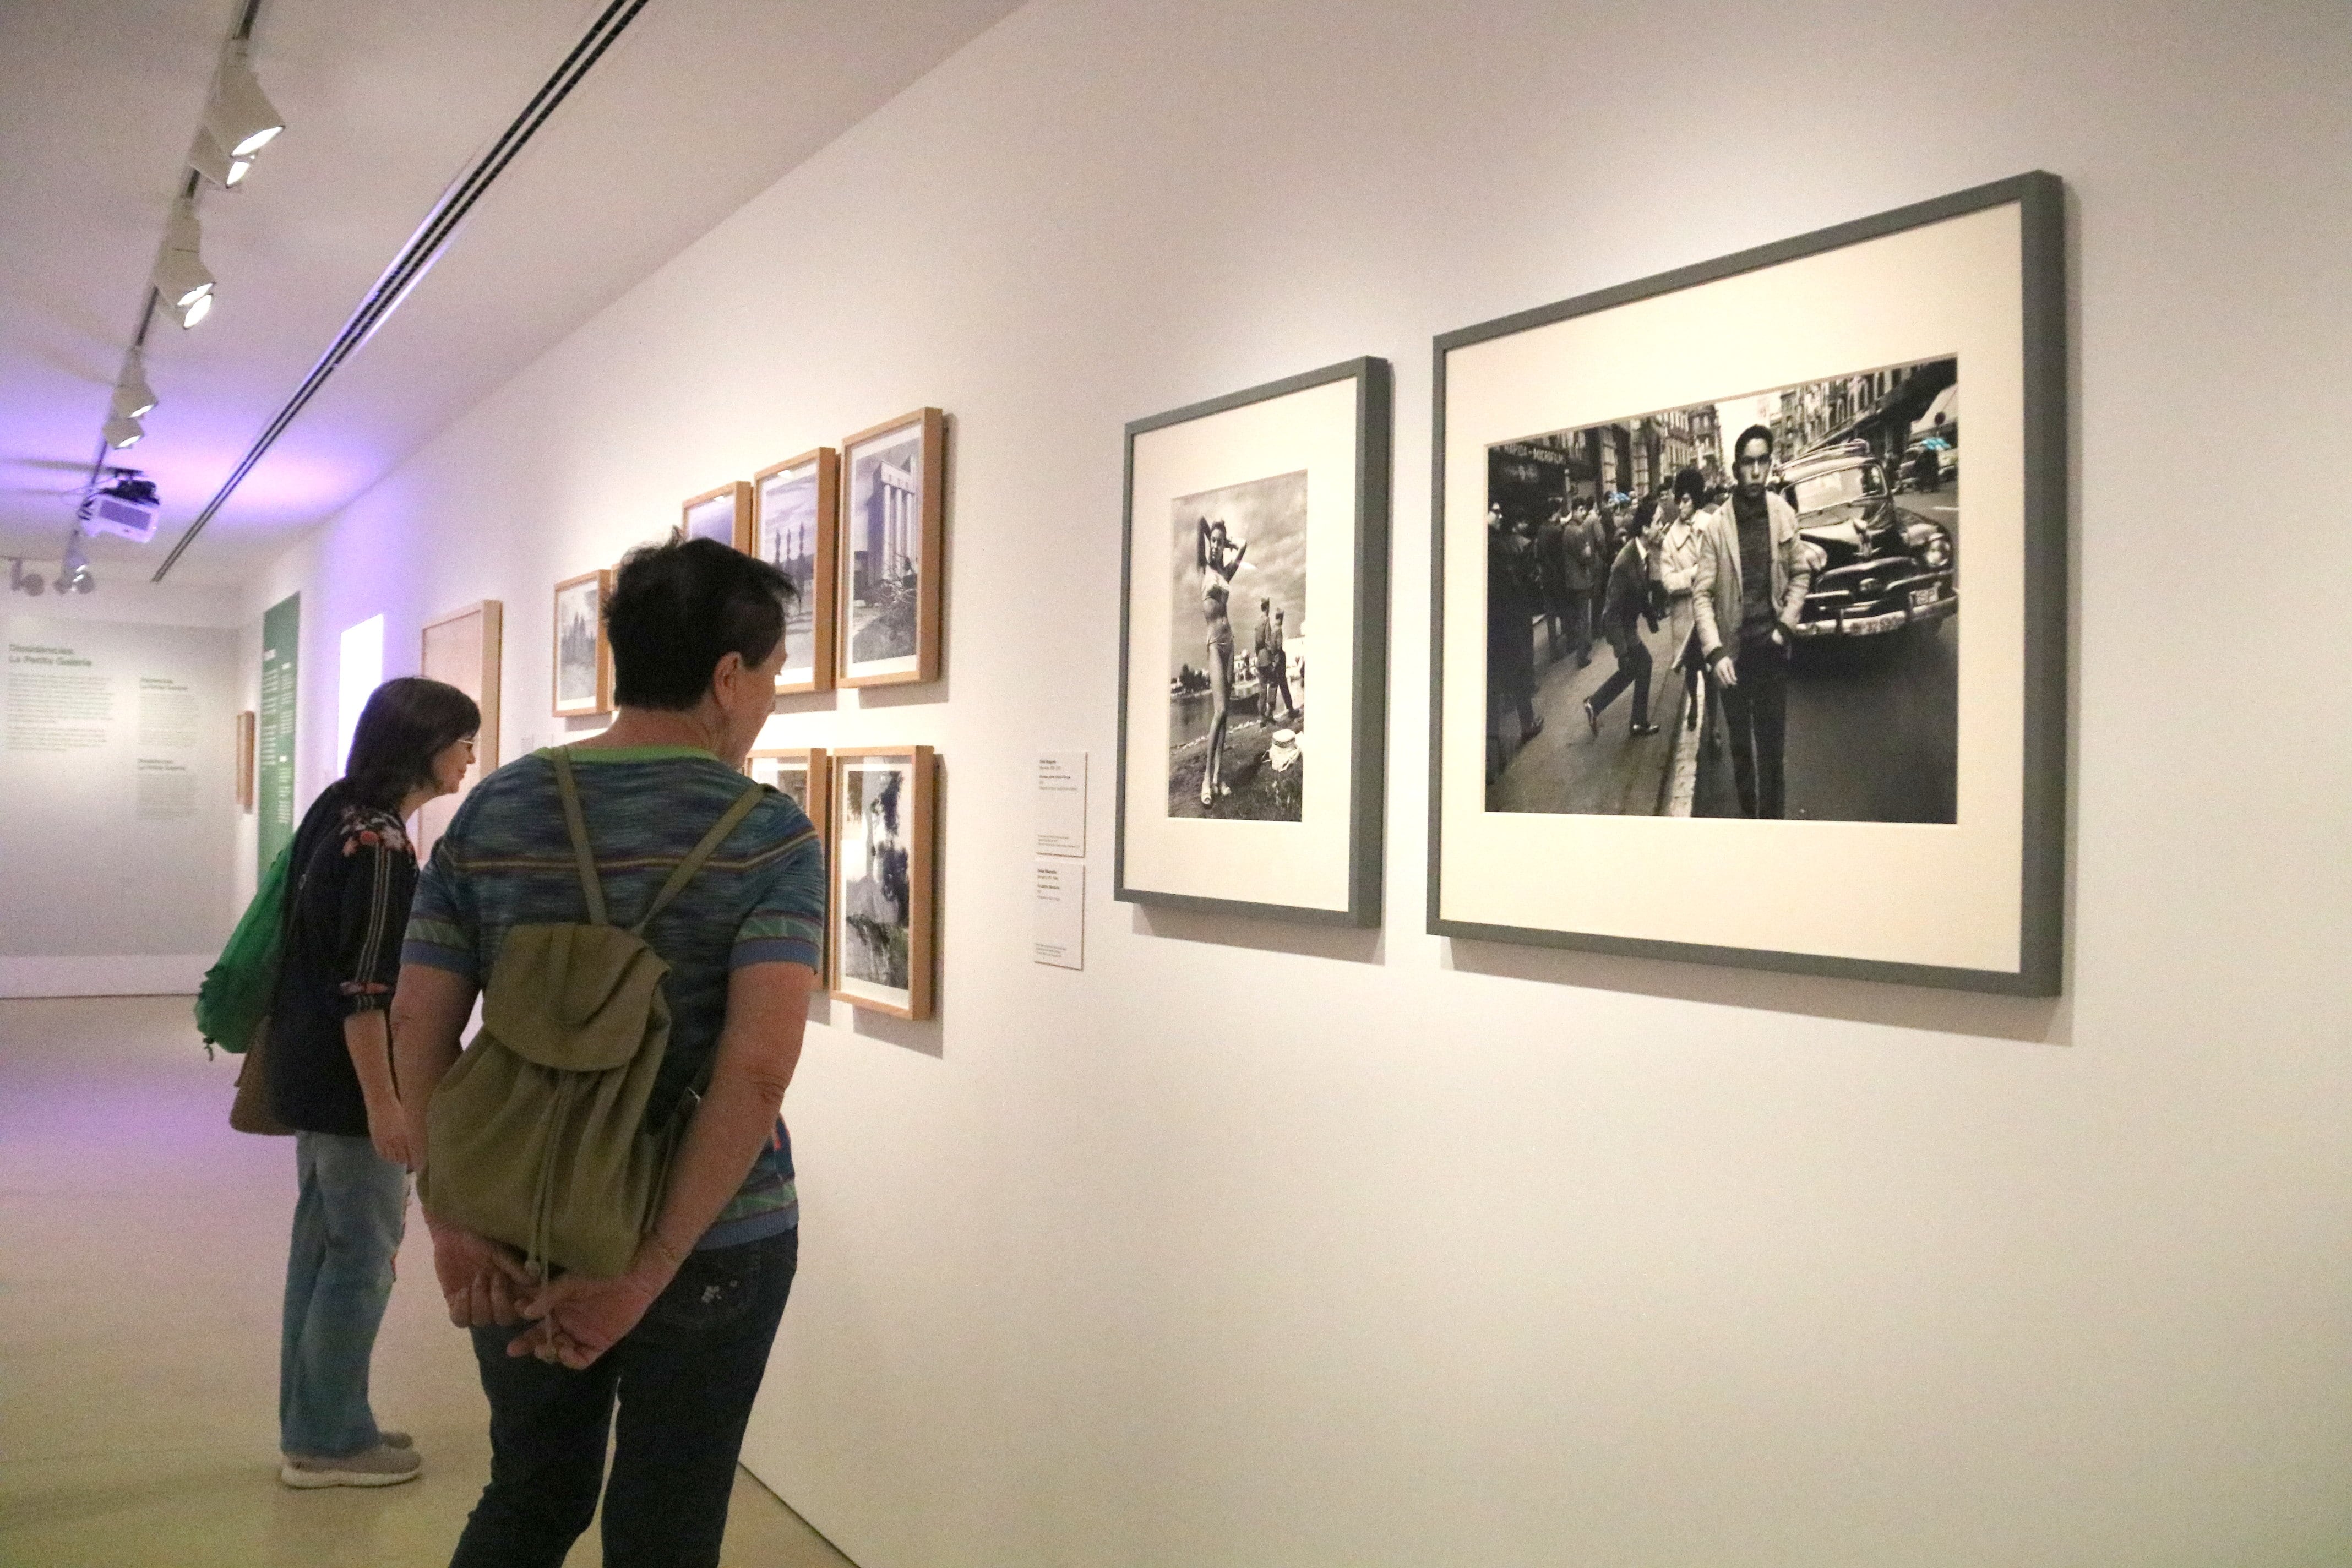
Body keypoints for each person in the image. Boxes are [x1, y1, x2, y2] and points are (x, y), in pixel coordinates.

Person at [393, 538, 826, 1567]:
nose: (767, 699)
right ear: (728, 677)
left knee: (529, 1495)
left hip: (520, 1215)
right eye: (768, 676)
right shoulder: (768, 835)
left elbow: (419, 1020)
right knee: (667, 1528)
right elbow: (755, 1071)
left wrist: (450, 1215)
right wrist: (646, 1269)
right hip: (715, 1240)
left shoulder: (497, 805)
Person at [272, 676, 480, 1489]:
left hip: (311, 1077)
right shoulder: (385, 846)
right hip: (353, 1087)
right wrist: (388, 1105)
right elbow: (367, 993)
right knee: (362, 1260)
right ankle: (330, 1445)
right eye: (463, 739)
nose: (470, 755)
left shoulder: (338, 812)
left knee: (323, 1255)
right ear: (426, 746)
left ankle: (319, 1426)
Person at [1691, 425, 1815, 816]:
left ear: (1770, 464)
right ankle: (1749, 823)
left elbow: (1800, 573)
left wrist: (1785, 627)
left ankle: (1773, 831)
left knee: (1773, 756)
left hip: (1771, 653)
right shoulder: (1716, 528)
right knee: (1741, 752)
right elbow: (1702, 594)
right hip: (1733, 660)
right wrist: (1715, 653)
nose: (1757, 471)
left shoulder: (1783, 514)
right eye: (1749, 462)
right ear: (1735, 468)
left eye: (1764, 461)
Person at [1582, 503, 1664, 738]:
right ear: (1646, 529)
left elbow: (1640, 591)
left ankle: (1595, 705)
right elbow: (1610, 613)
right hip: (1619, 625)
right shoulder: (1624, 563)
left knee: (1635, 669)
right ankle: (1636, 722)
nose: (1661, 526)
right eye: (1658, 522)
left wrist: (1651, 617)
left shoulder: (1642, 553)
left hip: (1627, 623)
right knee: (1639, 664)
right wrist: (1622, 651)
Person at [1195, 516, 1248, 806]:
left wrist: (1227, 542)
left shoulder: (1225, 572)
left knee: (1226, 715)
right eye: (1213, 541)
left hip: (1231, 644)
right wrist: (1210, 535)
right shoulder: (1202, 567)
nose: (1216, 546)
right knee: (1220, 710)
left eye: (1220, 542)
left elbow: (1244, 545)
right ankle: (1205, 779)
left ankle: (1218, 777)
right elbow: (1199, 522)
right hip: (1215, 644)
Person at [1656, 467, 1709, 730]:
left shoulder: (1710, 527)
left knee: (1712, 672)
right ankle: (1694, 705)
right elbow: (1668, 580)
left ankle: (1712, 725)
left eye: (1686, 500)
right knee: (1691, 669)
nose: (1681, 506)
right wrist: (1694, 575)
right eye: (1679, 500)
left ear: (1697, 499)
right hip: (1685, 616)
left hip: (1709, 614)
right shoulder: (1669, 540)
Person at [1486, 503, 1542, 748]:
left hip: (1492, 623)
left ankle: (1491, 750)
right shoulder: (1519, 545)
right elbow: (1532, 582)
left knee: (1492, 682)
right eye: (1494, 511)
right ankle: (1526, 724)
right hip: (1515, 618)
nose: (1499, 515)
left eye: (1500, 511)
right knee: (1519, 672)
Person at [1560, 497, 1599, 666]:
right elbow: (1586, 556)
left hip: (1571, 580)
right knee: (1584, 619)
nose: (1583, 514)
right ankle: (1582, 656)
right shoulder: (1579, 531)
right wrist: (1589, 551)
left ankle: (1582, 647)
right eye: (1581, 510)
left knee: (1578, 617)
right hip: (1582, 580)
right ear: (1575, 511)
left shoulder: (1566, 530)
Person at [1261, 606, 1297, 725]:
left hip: (1274, 663)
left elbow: (1271, 647)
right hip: (1279, 663)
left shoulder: (1272, 630)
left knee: (1274, 688)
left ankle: (1268, 714)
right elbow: (1279, 646)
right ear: (1281, 618)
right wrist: (1280, 656)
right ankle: (1291, 711)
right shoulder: (1279, 630)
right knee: (1284, 687)